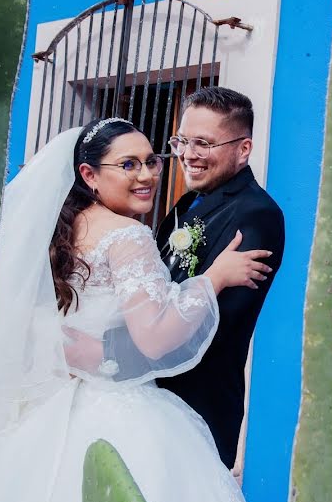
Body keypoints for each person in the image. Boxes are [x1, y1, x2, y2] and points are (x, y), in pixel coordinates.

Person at [0, 118, 272, 502]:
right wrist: (214, 279)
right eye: (128, 165)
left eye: (151, 162)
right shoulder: (127, 235)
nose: (146, 175)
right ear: (88, 174)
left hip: (52, 407)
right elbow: (155, 338)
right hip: (118, 411)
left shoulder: (57, 231)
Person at [65, 87, 286, 470]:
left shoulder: (257, 215)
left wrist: (103, 352)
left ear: (243, 149)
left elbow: (217, 326)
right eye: (182, 140)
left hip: (195, 403)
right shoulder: (187, 202)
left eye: (203, 143)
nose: (188, 154)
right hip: (133, 397)